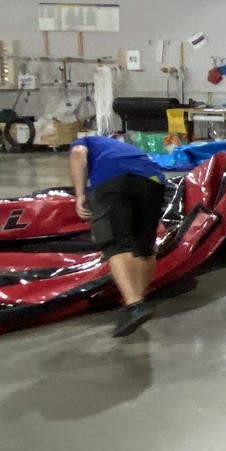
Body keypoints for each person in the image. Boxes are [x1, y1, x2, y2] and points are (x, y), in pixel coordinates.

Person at [68, 133, 168, 337]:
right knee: (143, 246)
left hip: (113, 179)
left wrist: (80, 195)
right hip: (152, 179)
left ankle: (134, 305)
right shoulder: (124, 148)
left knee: (114, 242)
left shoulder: (85, 141)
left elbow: (78, 153)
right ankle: (138, 300)